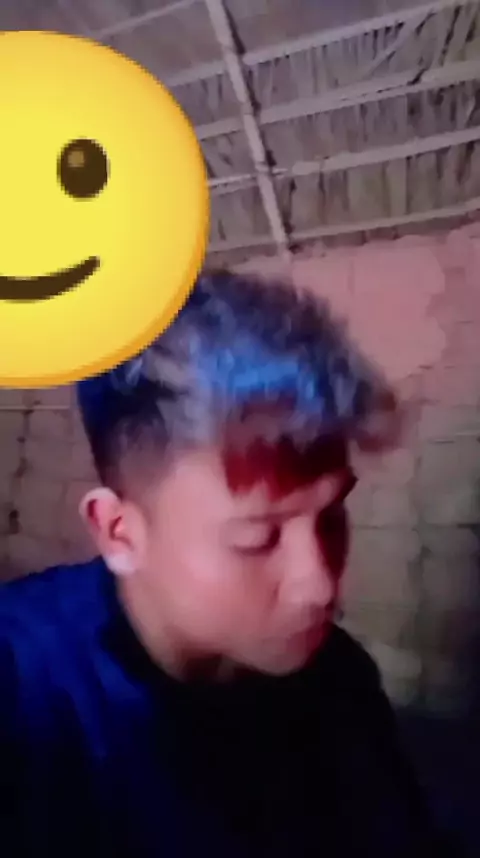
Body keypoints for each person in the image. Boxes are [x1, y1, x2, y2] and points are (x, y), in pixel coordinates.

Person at [0, 270, 456, 857]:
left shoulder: (336, 680)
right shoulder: (22, 696)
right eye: (256, 538)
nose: (320, 585)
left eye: (331, 515)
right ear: (119, 532)